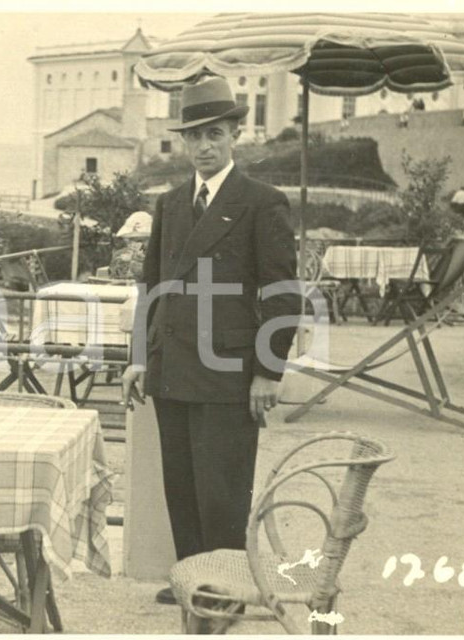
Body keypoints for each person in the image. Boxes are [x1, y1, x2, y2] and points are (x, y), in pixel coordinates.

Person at [120, 77, 301, 606]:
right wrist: (138, 359)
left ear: (235, 136)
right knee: (181, 483)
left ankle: (225, 588)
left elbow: (284, 293)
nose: (204, 146)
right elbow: (151, 288)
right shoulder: (172, 203)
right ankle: (194, 580)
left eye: (214, 134)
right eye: (194, 136)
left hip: (229, 369)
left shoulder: (261, 202)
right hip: (172, 365)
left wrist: (267, 371)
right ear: (184, 141)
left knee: (221, 487)